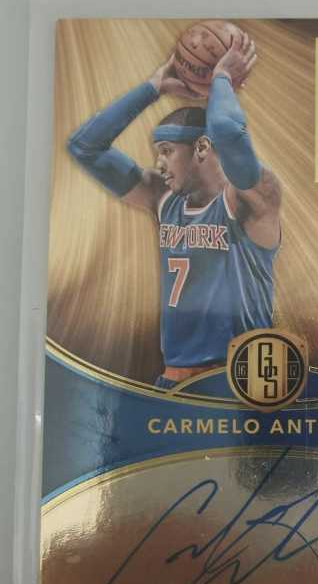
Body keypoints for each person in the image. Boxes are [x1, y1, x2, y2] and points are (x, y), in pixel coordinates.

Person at [67, 32, 281, 389]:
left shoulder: (252, 197)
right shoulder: (163, 198)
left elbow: (227, 130)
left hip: (239, 383)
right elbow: (84, 147)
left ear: (201, 148)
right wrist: (152, 88)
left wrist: (221, 78)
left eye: (166, 150)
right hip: (173, 381)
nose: (158, 163)